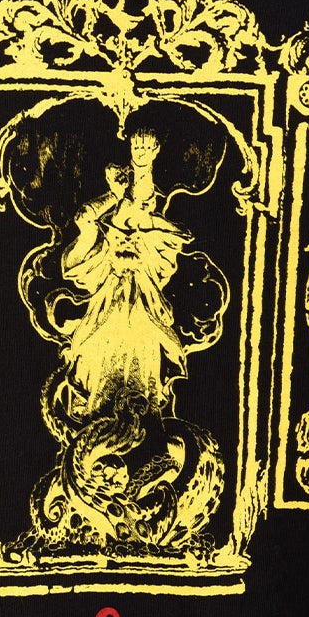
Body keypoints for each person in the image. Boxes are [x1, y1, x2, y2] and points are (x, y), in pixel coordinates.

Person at [60, 129, 193, 414]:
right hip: (108, 302)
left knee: (143, 354)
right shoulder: (110, 214)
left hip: (142, 302)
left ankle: (143, 411)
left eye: (146, 147)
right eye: (136, 147)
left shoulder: (152, 226)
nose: (140, 151)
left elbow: (162, 229)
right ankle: (98, 407)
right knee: (99, 352)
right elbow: (85, 219)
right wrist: (114, 195)